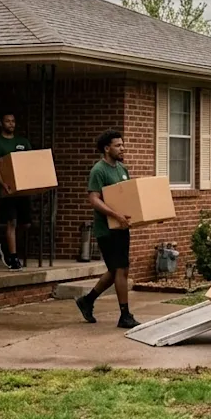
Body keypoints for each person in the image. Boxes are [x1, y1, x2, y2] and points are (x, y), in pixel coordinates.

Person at [74, 129, 138, 329]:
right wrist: (115, 215)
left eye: (122, 144)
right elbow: (93, 199)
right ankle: (125, 315)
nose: (122, 148)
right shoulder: (98, 170)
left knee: (117, 270)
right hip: (106, 229)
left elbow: (128, 199)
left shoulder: (122, 169)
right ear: (106, 148)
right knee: (120, 270)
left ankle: (87, 300)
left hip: (121, 227)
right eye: (118, 145)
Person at [0, 112, 32, 270]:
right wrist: (3, 184)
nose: (11, 124)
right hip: (7, 191)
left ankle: (6, 246)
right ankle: (13, 257)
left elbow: (29, 162)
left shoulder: (23, 142)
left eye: (13, 121)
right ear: (1, 123)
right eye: (7, 121)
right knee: (11, 221)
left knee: (25, 224)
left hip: (23, 190)